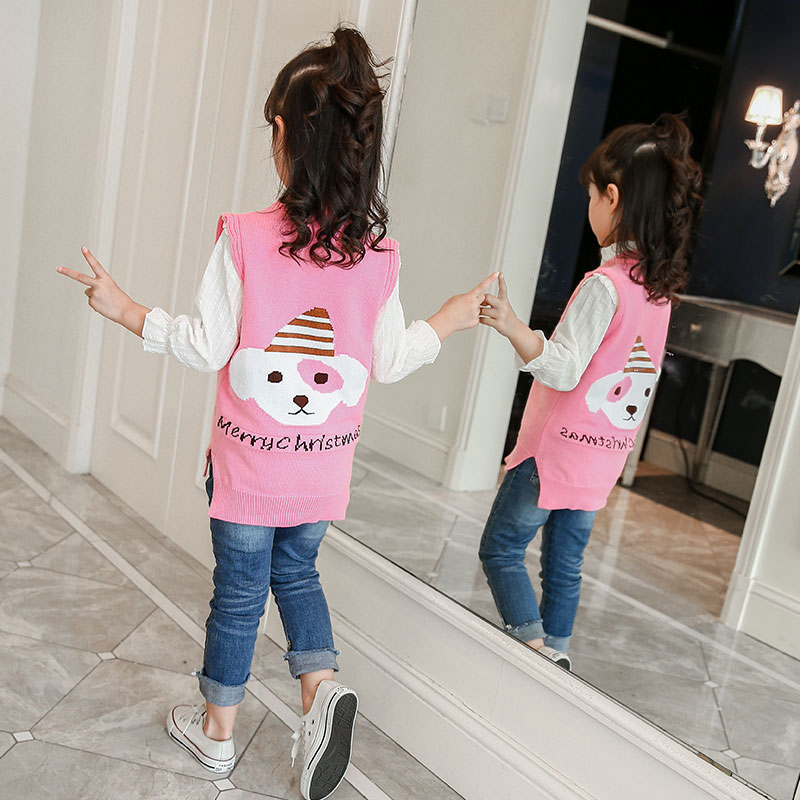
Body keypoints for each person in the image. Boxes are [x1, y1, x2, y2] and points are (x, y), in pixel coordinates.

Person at [57, 26, 496, 800]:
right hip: (321, 476)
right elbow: (390, 359)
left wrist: (125, 309)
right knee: (298, 573)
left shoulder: (247, 239)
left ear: (287, 137)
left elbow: (205, 345)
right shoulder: (378, 259)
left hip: (248, 473)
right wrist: (452, 318)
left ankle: (216, 734)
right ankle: (320, 687)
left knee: (238, 593)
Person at [477, 113, 703, 671]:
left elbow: (562, 369)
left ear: (613, 197)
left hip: (552, 455)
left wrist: (513, 326)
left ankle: (536, 658)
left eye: (590, 196)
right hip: (602, 459)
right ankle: (556, 655)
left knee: (501, 549)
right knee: (565, 566)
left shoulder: (605, 285)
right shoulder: (659, 294)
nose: (589, 208)